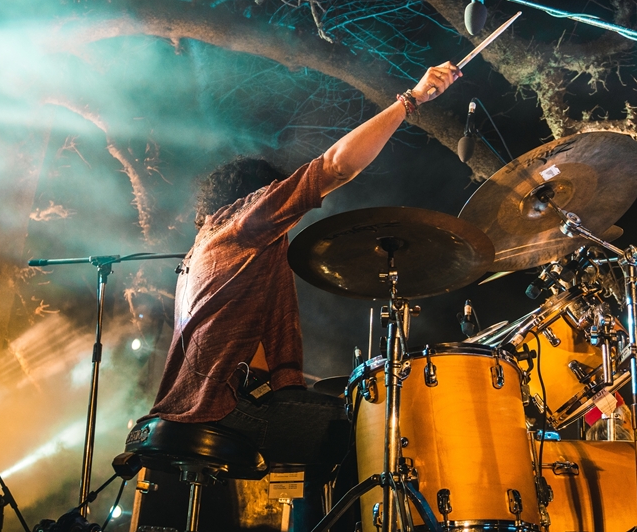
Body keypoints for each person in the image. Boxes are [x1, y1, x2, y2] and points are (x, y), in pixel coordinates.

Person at [142, 62, 461, 522]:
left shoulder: (201, 249)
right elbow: (336, 166)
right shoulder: (247, 222)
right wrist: (409, 100)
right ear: (258, 194)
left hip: (191, 408)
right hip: (224, 412)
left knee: (327, 428)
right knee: (369, 434)